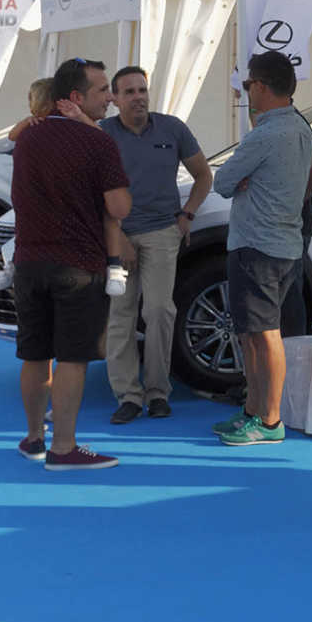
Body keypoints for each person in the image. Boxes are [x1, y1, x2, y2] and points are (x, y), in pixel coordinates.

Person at [7, 58, 129, 470]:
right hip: (78, 264)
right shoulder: (98, 142)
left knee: (35, 355)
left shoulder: (27, 138)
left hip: (28, 262)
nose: (110, 98)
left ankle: (33, 438)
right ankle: (64, 447)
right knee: (72, 359)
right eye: (102, 91)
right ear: (75, 98)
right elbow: (119, 206)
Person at [207, 51, 312, 447]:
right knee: (253, 333)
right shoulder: (300, 128)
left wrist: (244, 176)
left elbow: (223, 181)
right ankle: (255, 410)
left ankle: (269, 420)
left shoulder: (266, 134)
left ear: (261, 87)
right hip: (281, 244)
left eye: (248, 83)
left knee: (264, 333)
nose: (245, 89)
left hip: (258, 246)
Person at [99, 66, 211, 423]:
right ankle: (128, 396)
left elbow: (204, 175)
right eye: (129, 92)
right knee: (121, 316)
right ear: (114, 100)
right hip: (118, 236)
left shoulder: (173, 129)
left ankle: (158, 392)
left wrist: (188, 214)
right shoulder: (103, 135)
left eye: (142, 90)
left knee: (161, 312)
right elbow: (93, 194)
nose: (138, 98)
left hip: (163, 232)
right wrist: (118, 240)